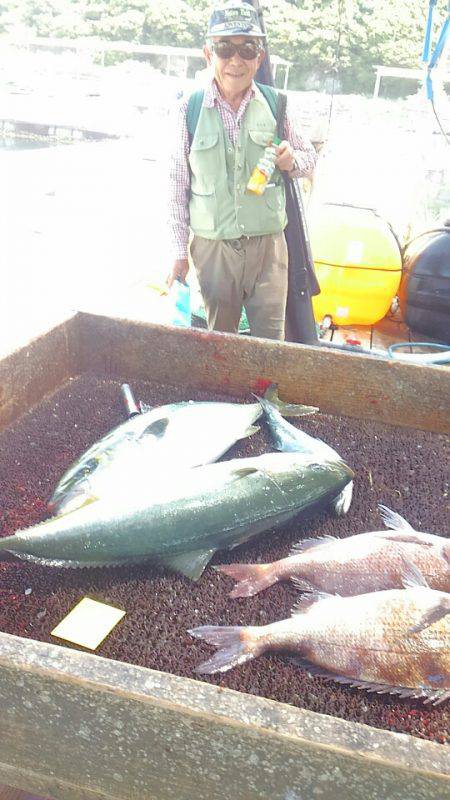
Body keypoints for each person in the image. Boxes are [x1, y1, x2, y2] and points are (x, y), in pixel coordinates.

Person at [167, 0, 317, 340]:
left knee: (270, 342)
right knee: (218, 344)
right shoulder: (186, 110)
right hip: (213, 250)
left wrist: (291, 161)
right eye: (225, 48)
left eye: (247, 48)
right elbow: (175, 189)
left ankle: (267, 394)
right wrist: (178, 253)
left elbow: (309, 160)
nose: (236, 60)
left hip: (269, 249)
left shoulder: (277, 104)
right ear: (209, 54)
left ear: (259, 57)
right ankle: (227, 395)